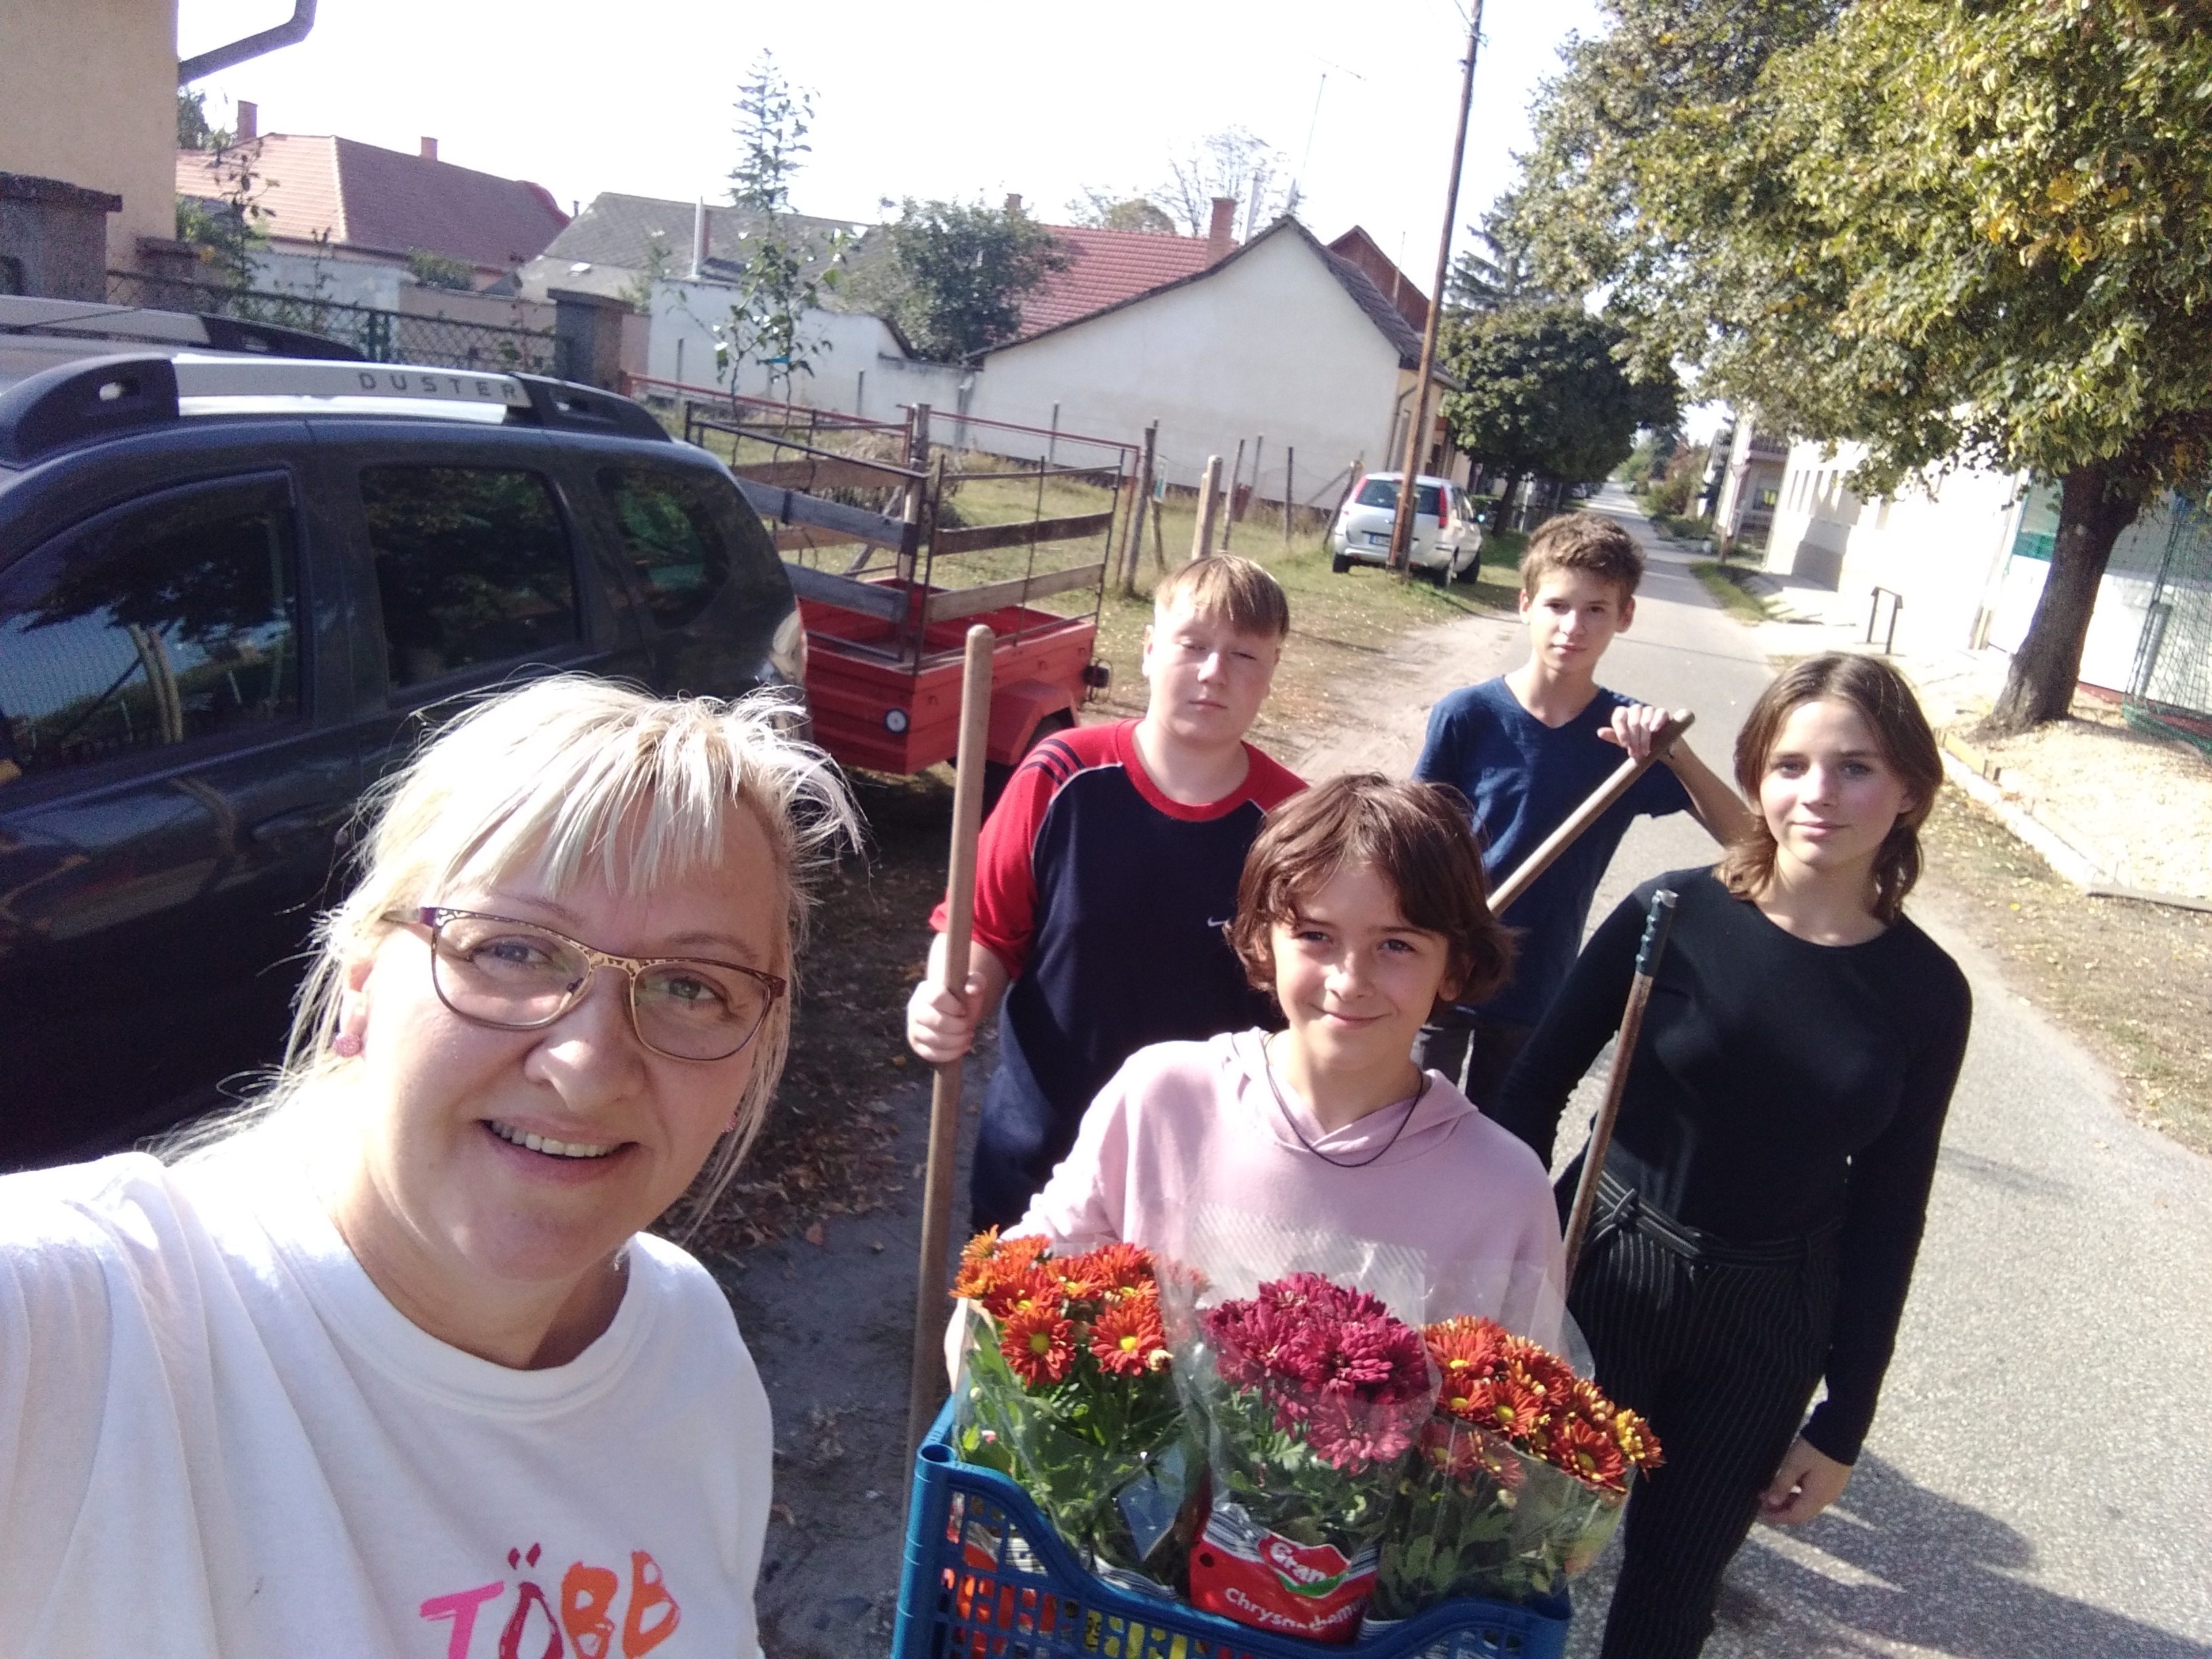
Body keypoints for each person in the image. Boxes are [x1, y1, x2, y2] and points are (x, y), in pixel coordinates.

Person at [0, 676, 858, 1658]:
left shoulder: (686, 1345)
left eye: (689, 987)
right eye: (514, 951)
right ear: (361, 986)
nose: (586, 1068)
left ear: (750, 1060)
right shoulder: (81, 1329)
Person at [1491, 652, 1971, 1659]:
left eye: (1855, 767)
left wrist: (1844, 1419)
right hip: (1606, 1274)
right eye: (1790, 765)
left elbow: (1892, 1209)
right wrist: (1514, 1267)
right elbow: (1532, 1091)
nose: (1818, 793)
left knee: (1674, 1591)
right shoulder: (1671, 913)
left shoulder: (1929, 992)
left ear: (1909, 793)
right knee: (1514, 1559)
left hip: (1769, 1322)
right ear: (1757, 777)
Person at [1014, 774, 1563, 1303]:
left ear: (1456, 967)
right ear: (1263, 942)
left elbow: (1522, 1362)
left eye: (1396, 945)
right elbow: (1024, 1281)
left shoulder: (1504, 1191)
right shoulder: (1161, 1100)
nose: (1349, 982)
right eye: (1316, 935)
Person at [907, 554, 1304, 1233]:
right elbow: (986, 931)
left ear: (1270, 673)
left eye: (1244, 655)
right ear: (1150, 651)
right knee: (1011, 1308)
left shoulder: (1294, 822)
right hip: (1039, 1160)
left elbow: (1304, 994)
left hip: (1207, 1184)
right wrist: (950, 994)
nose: (1214, 672)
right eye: (1193, 645)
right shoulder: (1061, 772)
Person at [1412, 512, 1754, 1107]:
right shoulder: (1467, 715)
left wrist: (1676, 755)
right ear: (1525, 604)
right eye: (1557, 606)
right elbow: (1408, 846)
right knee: (1408, 1129)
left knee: (1507, 1146)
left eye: (1596, 609)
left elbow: (1749, 840)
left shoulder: (1631, 742)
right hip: (1444, 969)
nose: (1573, 627)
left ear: (1625, 616)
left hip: (1537, 988)